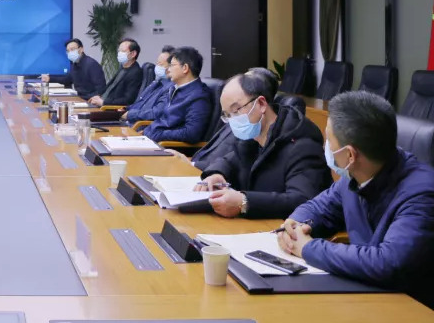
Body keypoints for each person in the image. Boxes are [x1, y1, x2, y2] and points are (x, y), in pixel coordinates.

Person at [279, 91, 434, 307]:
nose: (326, 146)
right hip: (365, 296)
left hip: (410, 308)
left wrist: (309, 248)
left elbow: (388, 263)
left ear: (350, 155)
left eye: (329, 140)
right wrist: (296, 225)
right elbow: (318, 208)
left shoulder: (423, 194)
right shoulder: (354, 178)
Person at [197, 68, 330, 219]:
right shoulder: (253, 135)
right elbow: (230, 160)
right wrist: (217, 174)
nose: (233, 120)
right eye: (227, 115)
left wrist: (245, 202)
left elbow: (302, 199)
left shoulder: (302, 144)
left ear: (261, 104)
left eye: (236, 110)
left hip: (285, 228)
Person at [141, 47, 212, 144]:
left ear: (185, 68)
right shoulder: (175, 88)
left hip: (168, 147)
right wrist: (146, 132)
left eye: (171, 65)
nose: (168, 70)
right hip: (153, 139)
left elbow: (191, 133)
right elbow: (162, 120)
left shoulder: (199, 96)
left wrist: (159, 135)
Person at [122, 46, 174, 124]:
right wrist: (124, 110)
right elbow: (140, 103)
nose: (157, 67)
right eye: (157, 63)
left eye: (160, 64)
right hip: (128, 122)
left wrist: (130, 115)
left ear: (170, 67)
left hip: (138, 126)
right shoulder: (155, 83)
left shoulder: (170, 88)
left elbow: (156, 112)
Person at [42, 38, 107, 100]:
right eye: (68, 51)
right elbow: (66, 79)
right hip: (79, 99)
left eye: (72, 49)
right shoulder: (74, 65)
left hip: (90, 101)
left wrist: (93, 99)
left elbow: (101, 88)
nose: (70, 52)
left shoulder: (92, 64)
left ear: (81, 49)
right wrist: (50, 78)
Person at [92, 38, 144, 107]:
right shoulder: (122, 67)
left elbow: (128, 100)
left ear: (133, 54)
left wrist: (104, 102)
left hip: (111, 108)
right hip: (102, 103)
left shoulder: (135, 73)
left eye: (123, 51)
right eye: (119, 51)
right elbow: (110, 87)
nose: (119, 53)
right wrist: (99, 96)